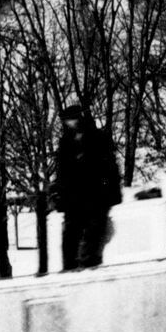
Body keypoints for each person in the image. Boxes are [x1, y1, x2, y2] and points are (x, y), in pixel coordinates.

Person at [53, 102, 120, 271]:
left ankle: (89, 265)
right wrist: (61, 196)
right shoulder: (66, 143)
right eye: (68, 121)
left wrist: (109, 191)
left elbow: (109, 168)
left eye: (72, 120)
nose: (70, 124)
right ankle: (71, 268)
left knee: (93, 237)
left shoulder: (97, 138)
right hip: (74, 199)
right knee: (71, 238)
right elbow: (62, 173)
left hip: (95, 196)